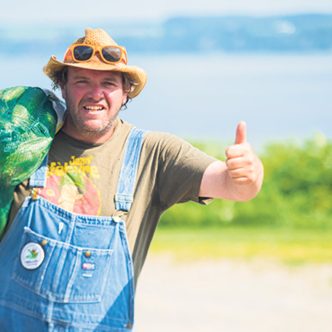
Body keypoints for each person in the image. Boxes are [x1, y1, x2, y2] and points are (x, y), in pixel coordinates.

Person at [0, 28, 263, 331]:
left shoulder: (153, 154)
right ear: (63, 86)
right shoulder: (25, 145)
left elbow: (231, 185)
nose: (95, 93)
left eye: (108, 83)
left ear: (126, 92)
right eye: (82, 80)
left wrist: (248, 173)